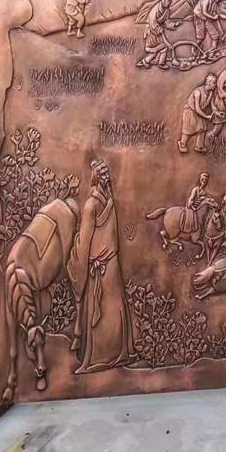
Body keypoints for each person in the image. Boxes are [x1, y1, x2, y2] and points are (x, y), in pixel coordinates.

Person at [66, 160, 134, 373]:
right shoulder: (91, 205)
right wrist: (80, 258)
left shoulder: (108, 201)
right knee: (102, 311)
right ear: (96, 178)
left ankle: (117, 354)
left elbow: (94, 239)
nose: (107, 178)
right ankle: (99, 357)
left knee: (114, 308)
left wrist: (78, 255)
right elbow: (85, 241)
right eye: (103, 174)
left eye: (107, 174)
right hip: (99, 266)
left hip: (110, 265)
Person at [178, 73, 222, 153]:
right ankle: (182, 143)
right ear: (209, 83)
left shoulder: (211, 93)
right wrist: (207, 117)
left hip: (198, 113)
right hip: (190, 112)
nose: (215, 85)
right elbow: (197, 109)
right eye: (214, 82)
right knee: (188, 130)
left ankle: (199, 146)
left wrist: (218, 113)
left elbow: (212, 106)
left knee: (202, 128)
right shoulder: (198, 92)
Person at [137, 0, 179, 69]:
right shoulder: (155, 10)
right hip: (152, 33)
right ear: (163, 1)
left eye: (170, 2)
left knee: (163, 47)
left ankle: (160, 62)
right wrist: (159, 29)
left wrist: (174, 25)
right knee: (155, 50)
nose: (169, 3)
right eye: (168, 1)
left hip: (159, 32)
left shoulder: (166, 11)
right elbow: (152, 23)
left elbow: (167, 22)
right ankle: (146, 61)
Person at [183, 172, 217, 238]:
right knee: (192, 217)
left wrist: (212, 203)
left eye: (206, 181)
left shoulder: (204, 193)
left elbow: (209, 199)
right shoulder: (195, 190)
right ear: (200, 180)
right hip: (192, 208)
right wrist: (194, 206)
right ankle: (189, 231)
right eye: (203, 180)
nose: (204, 182)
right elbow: (190, 200)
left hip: (198, 209)